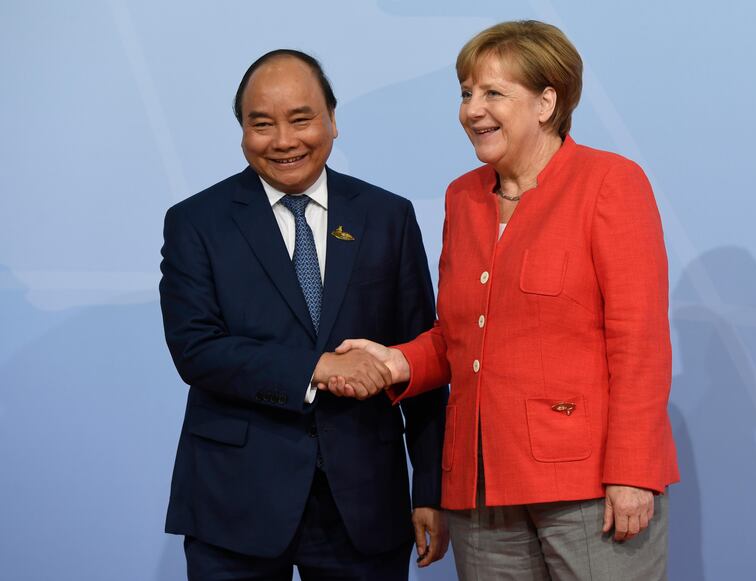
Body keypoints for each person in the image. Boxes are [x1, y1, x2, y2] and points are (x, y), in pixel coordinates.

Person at [331, 20, 680, 580]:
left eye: (493, 93)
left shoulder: (610, 182)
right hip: (481, 488)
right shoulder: (462, 197)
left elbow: (639, 342)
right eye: (467, 93)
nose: (472, 109)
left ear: (547, 102)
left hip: (588, 488)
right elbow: (459, 337)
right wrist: (393, 361)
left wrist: (633, 472)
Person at [159, 49, 448, 580]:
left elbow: (422, 356)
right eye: (261, 124)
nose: (284, 141)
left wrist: (430, 488)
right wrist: (316, 369)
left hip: (363, 501)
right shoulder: (196, 222)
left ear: (332, 121)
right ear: (242, 131)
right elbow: (197, 350)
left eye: (301, 119)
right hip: (236, 501)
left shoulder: (388, 216)